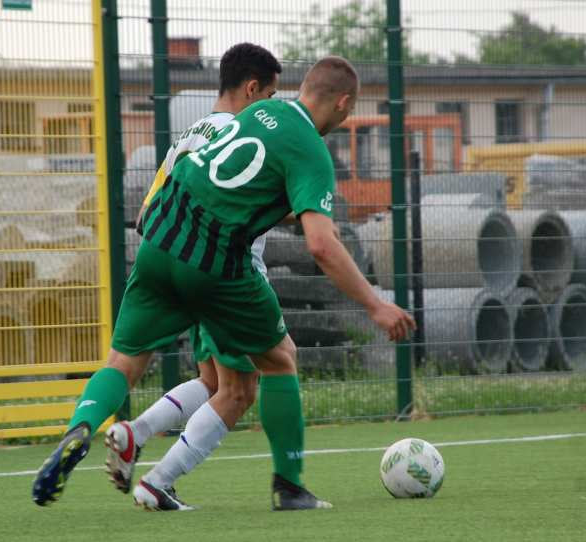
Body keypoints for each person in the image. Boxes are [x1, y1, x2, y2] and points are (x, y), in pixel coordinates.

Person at [31, 55, 415, 511]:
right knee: (276, 362)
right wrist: (375, 305)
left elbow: (238, 181)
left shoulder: (253, 115)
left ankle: (82, 427)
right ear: (344, 102)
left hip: (159, 238)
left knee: (125, 363)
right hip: (214, 260)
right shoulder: (311, 149)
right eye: (350, 111)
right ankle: (288, 487)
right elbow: (321, 245)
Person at [105, 42, 325, 510]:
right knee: (241, 388)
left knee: (211, 381)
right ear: (251, 89)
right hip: (228, 271)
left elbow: (153, 203)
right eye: (269, 93)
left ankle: (135, 432)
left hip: (178, 257)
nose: (272, 104)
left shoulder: (193, 130)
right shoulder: (243, 128)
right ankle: (160, 481)